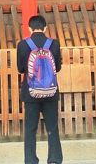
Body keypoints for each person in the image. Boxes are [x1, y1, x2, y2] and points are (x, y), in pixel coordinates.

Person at [17, 14, 63, 164]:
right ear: (45, 28)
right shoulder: (53, 44)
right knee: (52, 127)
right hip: (50, 91)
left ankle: (31, 160)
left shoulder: (23, 45)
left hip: (31, 92)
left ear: (29, 28)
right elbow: (58, 67)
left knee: (30, 128)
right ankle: (54, 159)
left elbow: (20, 68)